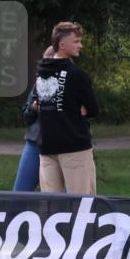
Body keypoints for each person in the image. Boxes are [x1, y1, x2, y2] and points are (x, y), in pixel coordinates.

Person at [35, 22, 99, 195]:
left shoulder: (42, 73)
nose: (80, 45)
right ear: (62, 45)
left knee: (51, 207)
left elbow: (39, 104)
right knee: (82, 204)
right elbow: (93, 109)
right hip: (74, 147)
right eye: (76, 41)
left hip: (48, 146)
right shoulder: (77, 75)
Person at [13, 46, 54, 191]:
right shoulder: (39, 84)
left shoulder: (72, 80)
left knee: (60, 198)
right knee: (19, 193)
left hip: (61, 146)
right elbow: (27, 117)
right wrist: (33, 108)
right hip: (35, 142)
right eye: (45, 62)